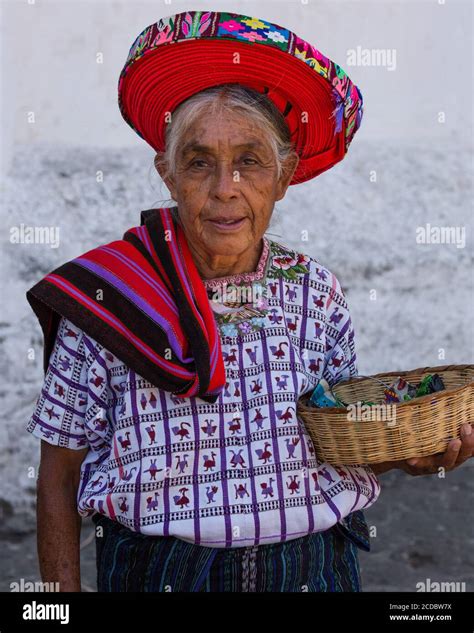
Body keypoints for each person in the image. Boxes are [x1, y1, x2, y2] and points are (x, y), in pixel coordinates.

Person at [26, 10, 473, 593]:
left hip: (315, 570)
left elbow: (332, 442)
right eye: (199, 161)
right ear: (167, 173)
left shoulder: (317, 292)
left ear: (283, 177)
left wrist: (413, 454)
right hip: (159, 575)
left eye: (250, 161)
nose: (224, 188)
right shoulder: (111, 297)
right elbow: (59, 473)